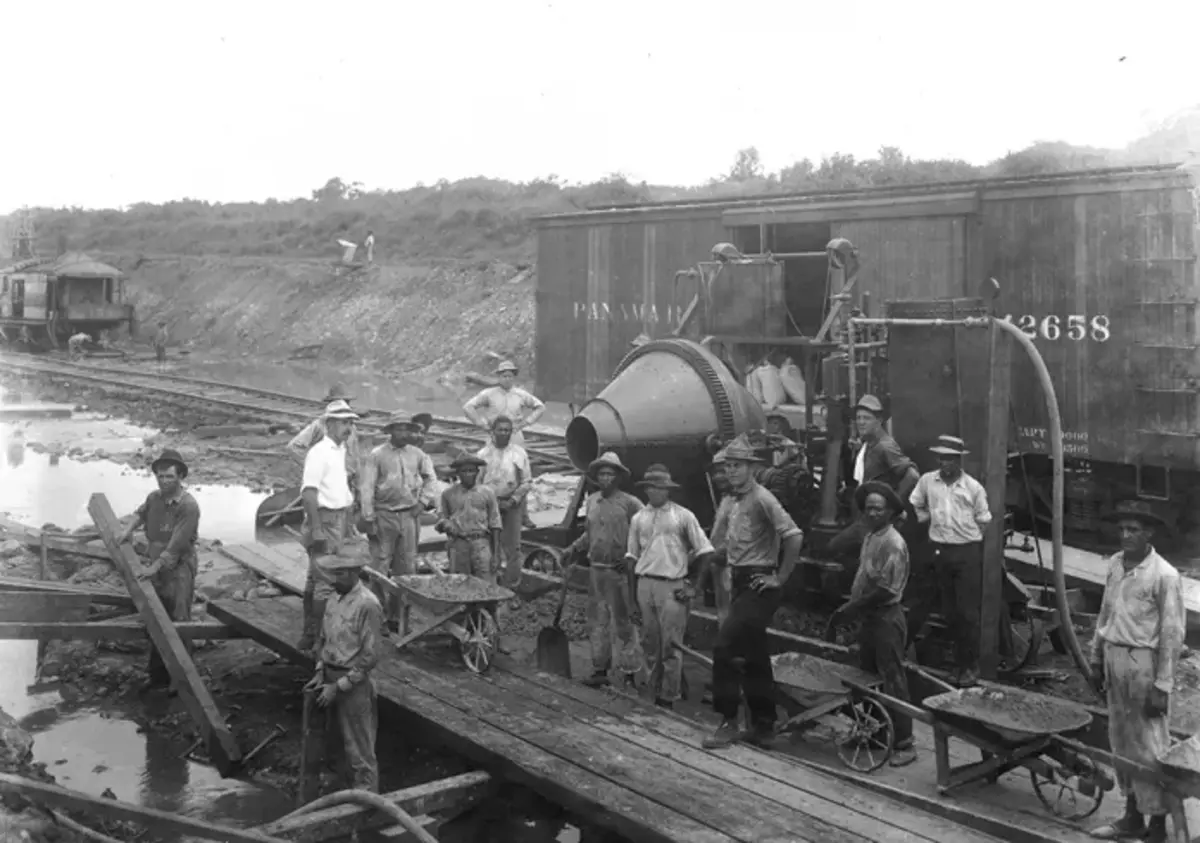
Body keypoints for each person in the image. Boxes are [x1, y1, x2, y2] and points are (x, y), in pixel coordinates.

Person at [1087, 500, 1185, 843]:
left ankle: (1157, 826)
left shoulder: (1164, 575)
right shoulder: (1115, 565)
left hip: (1143, 663)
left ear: (1149, 534)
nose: (1125, 535)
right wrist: (1096, 657)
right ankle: (1131, 817)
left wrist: (1163, 684)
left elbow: (1172, 634)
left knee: (1150, 746)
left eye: (1134, 530)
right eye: (1122, 529)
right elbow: (1105, 613)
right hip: (1114, 658)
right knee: (1120, 740)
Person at [703, 434, 804, 749]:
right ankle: (763, 726)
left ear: (752, 468)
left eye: (737, 466)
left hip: (761, 584)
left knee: (724, 647)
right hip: (740, 582)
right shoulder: (733, 501)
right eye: (728, 466)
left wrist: (780, 577)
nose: (731, 471)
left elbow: (794, 536)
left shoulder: (763, 498)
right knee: (755, 655)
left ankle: (728, 721)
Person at [829, 481, 917, 767]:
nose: (873, 513)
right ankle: (873, 733)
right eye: (868, 509)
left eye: (879, 509)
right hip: (869, 617)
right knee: (866, 676)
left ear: (890, 512)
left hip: (886, 618)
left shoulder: (893, 543)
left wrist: (851, 608)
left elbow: (885, 590)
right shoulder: (871, 536)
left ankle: (905, 742)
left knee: (892, 677)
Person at [626, 464, 714, 709]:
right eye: (651, 488)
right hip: (645, 583)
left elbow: (705, 552)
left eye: (660, 488)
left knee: (672, 647)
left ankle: (668, 697)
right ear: (645, 490)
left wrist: (694, 588)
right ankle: (649, 694)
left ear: (668, 490)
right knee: (648, 642)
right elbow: (631, 558)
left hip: (672, 585)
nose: (655, 492)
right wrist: (633, 598)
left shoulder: (683, 516)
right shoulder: (638, 518)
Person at [909, 434, 992, 687]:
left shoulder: (973, 488)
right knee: (949, 611)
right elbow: (916, 503)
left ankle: (969, 666)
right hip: (939, 552)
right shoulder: (927, 481)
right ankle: (954, 663)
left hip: (966, 553)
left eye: (951, 459)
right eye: (942, 458)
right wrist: (927, 520)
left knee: (967, 613)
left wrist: (970, 539)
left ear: (959, 461)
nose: (946, 463)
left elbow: (984, 519)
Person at [118, 449, 201, 693]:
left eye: (169, 477)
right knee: (156, 617)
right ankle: (157, 675)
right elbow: (141, 513)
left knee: (179, 619)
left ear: (180, 477)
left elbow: (176, 547)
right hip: (156, 562)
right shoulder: (154, 498)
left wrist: (153, 568)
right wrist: (128, 529)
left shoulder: (188, 507)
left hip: (178, 568)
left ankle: (182, 678)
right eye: (160, 476)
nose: (164, 481)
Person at [304, 550, 383, 793]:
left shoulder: (368, 604)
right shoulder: (332, 600)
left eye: (339, 573)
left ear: (353, 573)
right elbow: (324, 640)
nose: (333, 579)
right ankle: (339, 795)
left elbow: (370, 656)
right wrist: (320, 672)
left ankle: (367, 802)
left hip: (353, 684)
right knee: (333, 744)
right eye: (333, 572)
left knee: (359, 749)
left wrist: (338, 686)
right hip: (328, 675)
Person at [566, 452, 643, 689]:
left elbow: (645, 533)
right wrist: (573, 548)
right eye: (602, 474)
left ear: (618, 477)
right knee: (598, 621)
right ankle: (600, 669)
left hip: (620, 572)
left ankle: (630, 672)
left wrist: (633, 558)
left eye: (610, 474)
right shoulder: (592, 501)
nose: (606, 478)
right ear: (596, 477)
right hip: (597, 570)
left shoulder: (630, 503)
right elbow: (589, 534)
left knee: (624, 623)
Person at [359, 410, 437, 633]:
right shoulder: (377, 455)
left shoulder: (417, 454)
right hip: (384, 516)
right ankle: (378, 616)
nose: (403, 433)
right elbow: (366, 488)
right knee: (380, 568)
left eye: (407, 429)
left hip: (410, 516)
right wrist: (369, 518)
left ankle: (398, 617)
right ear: (391, 431)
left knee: (407, 569)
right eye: (399, 428)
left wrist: (423, 503)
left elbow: (431, 479)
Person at [297, 400, 359, 652]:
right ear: (330, 424)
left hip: (339, 518)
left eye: (351, 423)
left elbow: (339, 490)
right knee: (325, 582)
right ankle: (322, 638)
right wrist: (317, 529)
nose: (349, 428)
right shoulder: (319, 452)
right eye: (345, 423)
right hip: (325, 519)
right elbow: (309, 493)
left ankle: (310, 635)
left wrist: (349, 524)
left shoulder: (339, 450)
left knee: (315, 579)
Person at [476, 416, 532, 588]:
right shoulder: (483, 455)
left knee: (513, 548)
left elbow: (527, 481)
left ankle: (512, 587)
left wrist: (514, 500)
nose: (504, 433)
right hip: (488, 506)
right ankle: (489, 586)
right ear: (493, 431)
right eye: (500, 429)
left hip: (512, 504)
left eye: (507, 430)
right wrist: (488, 503)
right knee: (488, 546)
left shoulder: (519, 453)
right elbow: (477, 483)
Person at [436, 454, 502, 582]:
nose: (468, 474)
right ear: (458, 473)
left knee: (486, 583)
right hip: (459, 543)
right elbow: (442, 519)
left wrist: (496, 554)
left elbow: (495, 523)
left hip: (481, 542)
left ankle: (486, 602)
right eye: (464, 471)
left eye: (471, 470)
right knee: (460, 583)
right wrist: (446, 525)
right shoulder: (448, 494)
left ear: (477, 472)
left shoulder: (487, 493)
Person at [463, 360, 545, 448]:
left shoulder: (521, 394)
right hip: (494, 434)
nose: (507, 379)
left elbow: (540, 407)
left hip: (514, 433)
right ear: (499, 377)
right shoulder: (489, 394)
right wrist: (482, 424)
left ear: (514, 377)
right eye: (504, 376)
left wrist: (525, 423)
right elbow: (468, 407)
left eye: (510, 376)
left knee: (516, 459)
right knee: (493, 459)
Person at [289, 384, 362, 479]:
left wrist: (356, 476)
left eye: (346, 402)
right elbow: (293, 447)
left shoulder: (352, 427)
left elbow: (355, 455)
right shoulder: (320, 425)